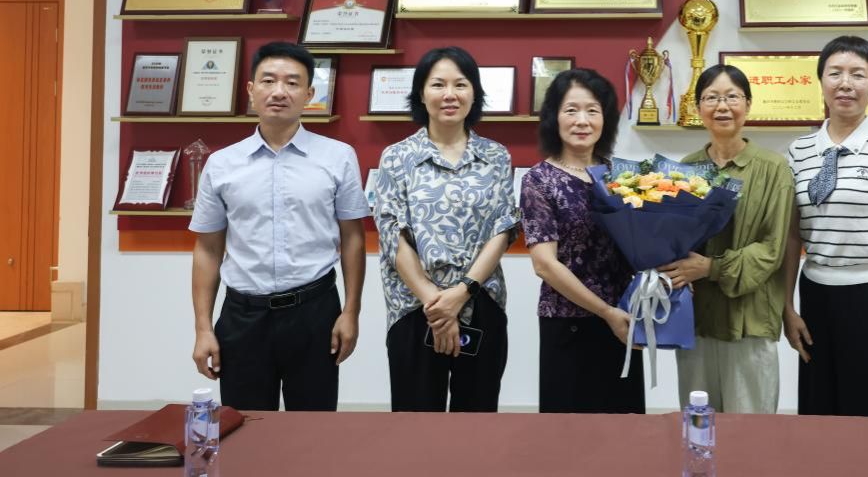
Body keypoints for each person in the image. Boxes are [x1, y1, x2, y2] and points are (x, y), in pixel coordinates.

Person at [190, 41, 368, 411]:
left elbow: (353, 238)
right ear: (250, 90)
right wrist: (203, 328)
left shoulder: (338, 157)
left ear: (309, 95)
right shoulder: (221, 164)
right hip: (243, 316)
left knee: (314, 428)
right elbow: (208, 248)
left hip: (315, 312)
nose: (279, 91)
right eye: (268, 80)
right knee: (246, 426)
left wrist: (351, 312)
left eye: (292, 82)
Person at [781, 36, 868, 417]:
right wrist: (787, 308)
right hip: (816, 296)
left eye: (858, 74)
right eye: (835, 73)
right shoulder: (798, 151)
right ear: (821, 82)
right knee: (821, 408)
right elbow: (792, 238)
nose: (846, 84)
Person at [374, 46, 518, 412]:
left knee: (477, 418)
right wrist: (436, 304)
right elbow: (392, 236)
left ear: (475, 93)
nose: (449, 94)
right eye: (438, 84)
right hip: (414, 308)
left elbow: (502, 229)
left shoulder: (496, 156)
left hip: (480, 302)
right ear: (421, 94)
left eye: (461, 84)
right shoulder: (396, 157)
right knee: (416, 421)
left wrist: (461, 293)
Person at [659, 64, 794, 414]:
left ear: (748, 104)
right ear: (698, 107)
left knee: (750, 427)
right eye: (712, 98)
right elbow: (672, 240)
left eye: (732, 97)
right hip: (696, 320)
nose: (722, 106)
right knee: (698, 423)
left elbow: (771, 249)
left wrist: (711, 268)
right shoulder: (685, 168)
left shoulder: (774, 168)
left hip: (750, 320)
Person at [520, 68, 645, 413]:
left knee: (625, 427)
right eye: (571, 110)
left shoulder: (623, 176)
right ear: (554, 117)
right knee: (569, 433)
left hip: (624, 320)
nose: (582, 120)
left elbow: (642, 247)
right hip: (569, 324)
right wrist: (605, 312)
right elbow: (545, 265)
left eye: (592, 110)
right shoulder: (539, 180)